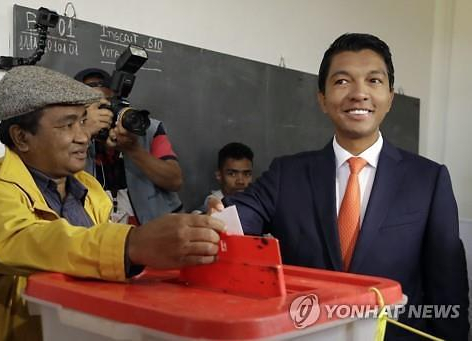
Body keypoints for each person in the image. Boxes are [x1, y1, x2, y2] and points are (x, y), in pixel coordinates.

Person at [208, 33, 469, 340]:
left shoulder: (429, 179)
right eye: (342, 81)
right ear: (322, 99)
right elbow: (237, 217)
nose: (359, 94)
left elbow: (448, 288)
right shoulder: (286, 174)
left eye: (373, 81)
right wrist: (215, 220)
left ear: (389, 98)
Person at [0, 66, 225, 341]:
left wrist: (194, 231)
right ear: (21, 137)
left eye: (83, 121)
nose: (83, 136)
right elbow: (31, 240)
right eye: (67, 125)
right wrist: (131, 244)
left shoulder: (91, 190)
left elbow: (98, 267)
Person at [74, 68, 183, 225]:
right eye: (94, 107)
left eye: (107, 104)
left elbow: (175, 181)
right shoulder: (69, 132)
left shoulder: (147, 129)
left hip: (154, 228)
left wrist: (133, 149)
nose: (104, 113)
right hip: (97, 232)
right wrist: (83, 131)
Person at [194, 142, 253, 213]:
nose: (240, 181)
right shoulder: (211, 206)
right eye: (232, 174)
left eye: (246, 174)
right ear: (219, 176)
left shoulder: (256, 201)